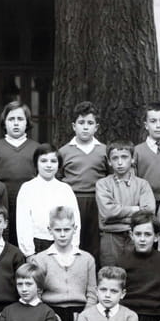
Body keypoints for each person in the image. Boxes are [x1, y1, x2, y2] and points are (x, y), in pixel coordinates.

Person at [30, 205, 97, 321]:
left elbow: (92, 294)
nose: (62, 234)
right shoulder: (40, 259)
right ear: (49, 230)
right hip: (50, 314)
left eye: (67, 229)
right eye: (57, 230)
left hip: (80, 315)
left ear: (74, 229)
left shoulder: (87, 259)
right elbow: (37, 295)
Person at [57, 101, 108, 260]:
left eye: (90, 123)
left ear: (96, 127)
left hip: (97, 201)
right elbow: (58, 178)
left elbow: (109, 178)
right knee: (73, 240)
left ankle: (93, 273)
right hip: (72, 200)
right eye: (81, 123)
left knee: (95, 243)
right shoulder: (64, 151)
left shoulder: (104, 151)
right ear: (74, 126)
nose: (85, 127)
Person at [95, 140, 155, 266]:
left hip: (135, 236)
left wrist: (115, 218)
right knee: (111, 271)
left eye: (124, 157)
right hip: (110, 237)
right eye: (115, 158)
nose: (120, 162)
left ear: (132, 159)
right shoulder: (103, 184)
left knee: (136, 270)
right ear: (109, 161)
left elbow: (148, 211)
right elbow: (107, 212)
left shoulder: (142, 184)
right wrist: (135, 209)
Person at [16, 144, 80, 258]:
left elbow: (75, 219)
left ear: (59, 164)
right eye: (43, 161)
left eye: (53, 161)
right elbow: (23, 222)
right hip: (37, 243)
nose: (49, 165)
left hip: (62, 243)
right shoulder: (27, 188)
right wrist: (29, 253)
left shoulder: (65, 189)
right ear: (36, 163)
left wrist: (73, 246)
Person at [0, 101, 39, 246]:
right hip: (2, 204)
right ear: (4, 122)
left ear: (27, 122)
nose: (16, 123)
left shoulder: (36, 149)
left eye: (20, 119)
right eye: (11, 119)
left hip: (30, 204)